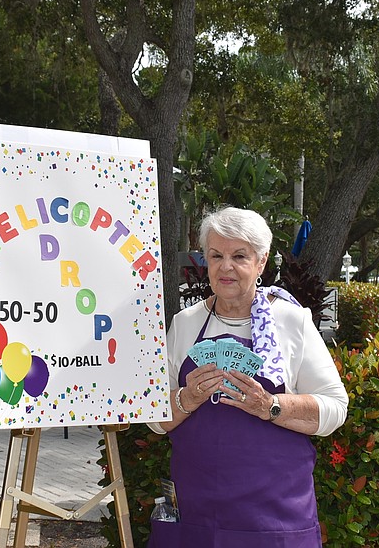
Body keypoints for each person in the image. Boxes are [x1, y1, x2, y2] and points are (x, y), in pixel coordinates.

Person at [147, 207, 348, 547]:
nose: (226, 266)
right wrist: (188, 398)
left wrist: (270, 405)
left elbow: (335, 409)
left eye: (239, 256)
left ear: (261, 262)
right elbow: (154, 417)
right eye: (216, 255)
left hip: (275, 519)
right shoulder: (185, 323)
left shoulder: (291, 321)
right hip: (197, 516)